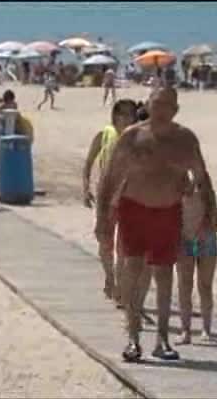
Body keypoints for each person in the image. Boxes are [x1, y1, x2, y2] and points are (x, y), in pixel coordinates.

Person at [95, 87, 217, 362]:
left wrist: (211, 211)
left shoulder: (185, 140)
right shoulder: (133, 137)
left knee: (164, 275)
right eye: (157, 103)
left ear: (175, 110)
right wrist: (103, 219)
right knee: (133, 270)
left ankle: (162, 339)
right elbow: (110, 177)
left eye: (167, 105)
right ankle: (133, 337)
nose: (161, 109)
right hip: (133, 210)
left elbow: (201, 176)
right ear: (149, 105)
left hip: (168, 211)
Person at [82, 99, 141, 306]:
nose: (125, 118)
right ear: (114, 116)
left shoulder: (138, 138)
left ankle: (121, 291)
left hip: (128, 197)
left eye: (129, 114)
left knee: (124, 246)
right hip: (105, 196)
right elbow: (89, 162)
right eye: (121, 114)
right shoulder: (104, 134)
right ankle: (109, 277)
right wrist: (85, 187)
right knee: (104, 242)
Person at [176, 171, 217, 344]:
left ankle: (206, 330)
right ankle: (185, 330)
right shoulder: (175, 182)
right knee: (184, 286)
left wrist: (205, 228)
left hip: (205, 239)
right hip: (184, 239)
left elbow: (215, 216)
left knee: (205, 285)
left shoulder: (203, 181)